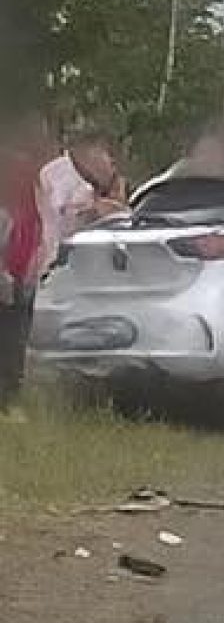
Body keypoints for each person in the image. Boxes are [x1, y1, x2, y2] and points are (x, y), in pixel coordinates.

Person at [0, 117, 50, 411]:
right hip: (12, 269)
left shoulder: (30, 175)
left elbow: (35, 224)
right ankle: (8, 395)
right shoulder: (16, 168)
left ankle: (10, 395)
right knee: (11, 334)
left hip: (22, 270)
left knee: (15, 335)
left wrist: (34, 261)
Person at [38, 131, 125, 273]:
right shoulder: (59, 174)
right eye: (109, 156)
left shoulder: (100, 188)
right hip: (64, 267)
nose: (113, 165)